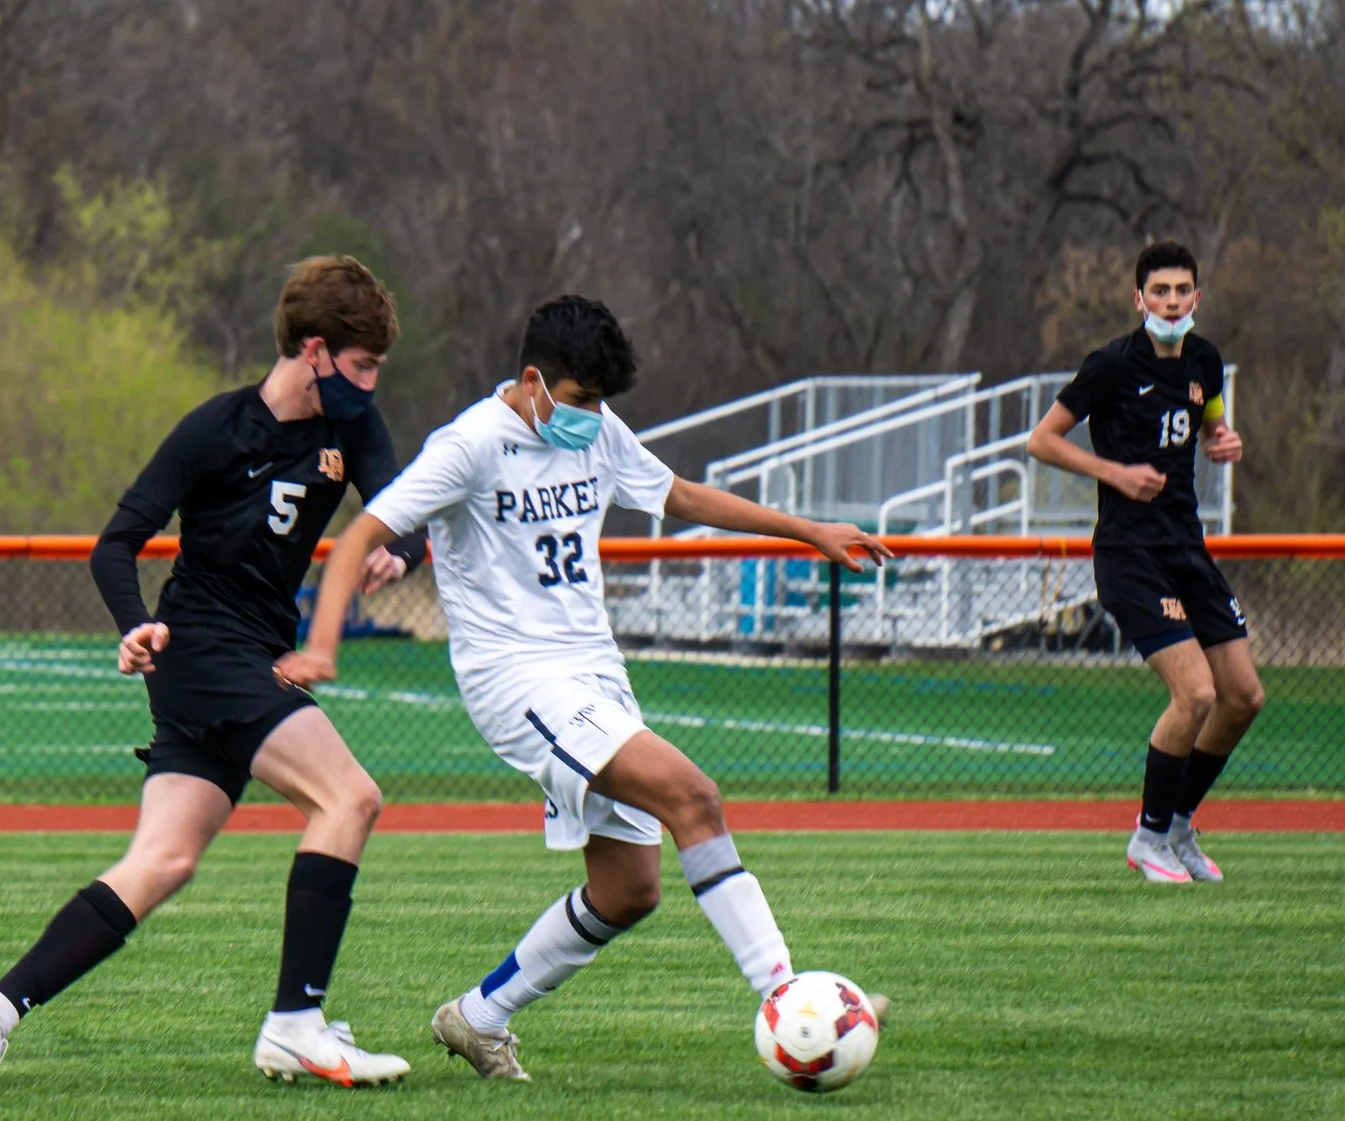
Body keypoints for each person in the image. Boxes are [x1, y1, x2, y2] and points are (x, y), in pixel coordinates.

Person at [282, 295, 892, 1081]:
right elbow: (361, 534)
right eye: (578, 400)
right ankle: (794, 1003)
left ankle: (477, 1015)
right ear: (532, 380)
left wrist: (811, 531)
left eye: (602, 402)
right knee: (693, 796)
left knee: (628, 889)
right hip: (519, 678)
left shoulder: (596, 428)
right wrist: (324, 643)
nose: (592, 417)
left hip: (594, 671)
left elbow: (681, 496)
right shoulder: (470, 444)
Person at [0, 256, 424, 1089]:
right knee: (352, 797)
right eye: (363, 364)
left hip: (251, 656)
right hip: (202, 650)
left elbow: (403, 510)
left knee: (163, 862)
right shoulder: (215, 429)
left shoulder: (354, 431)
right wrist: (137, 625)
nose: (372, 383)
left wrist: (400, 553)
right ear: (315, 349)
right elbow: (114, 543)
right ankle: (295, 1023)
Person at [1025, 241, 1258, 883]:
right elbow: (1041, 440)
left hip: (1187, 546)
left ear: (1196, 298)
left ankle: (1179, 825)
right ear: (1139, 299)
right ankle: (1148, 838)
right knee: (1196, 692)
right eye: (1161, 291)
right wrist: (1114, 474)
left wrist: (1223, 438)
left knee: (1242, 695)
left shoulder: (1204, 360)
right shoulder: (1111, 366)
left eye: (1183, 290)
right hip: (1129, 553)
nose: (1173, 301)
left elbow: (1211, 423)